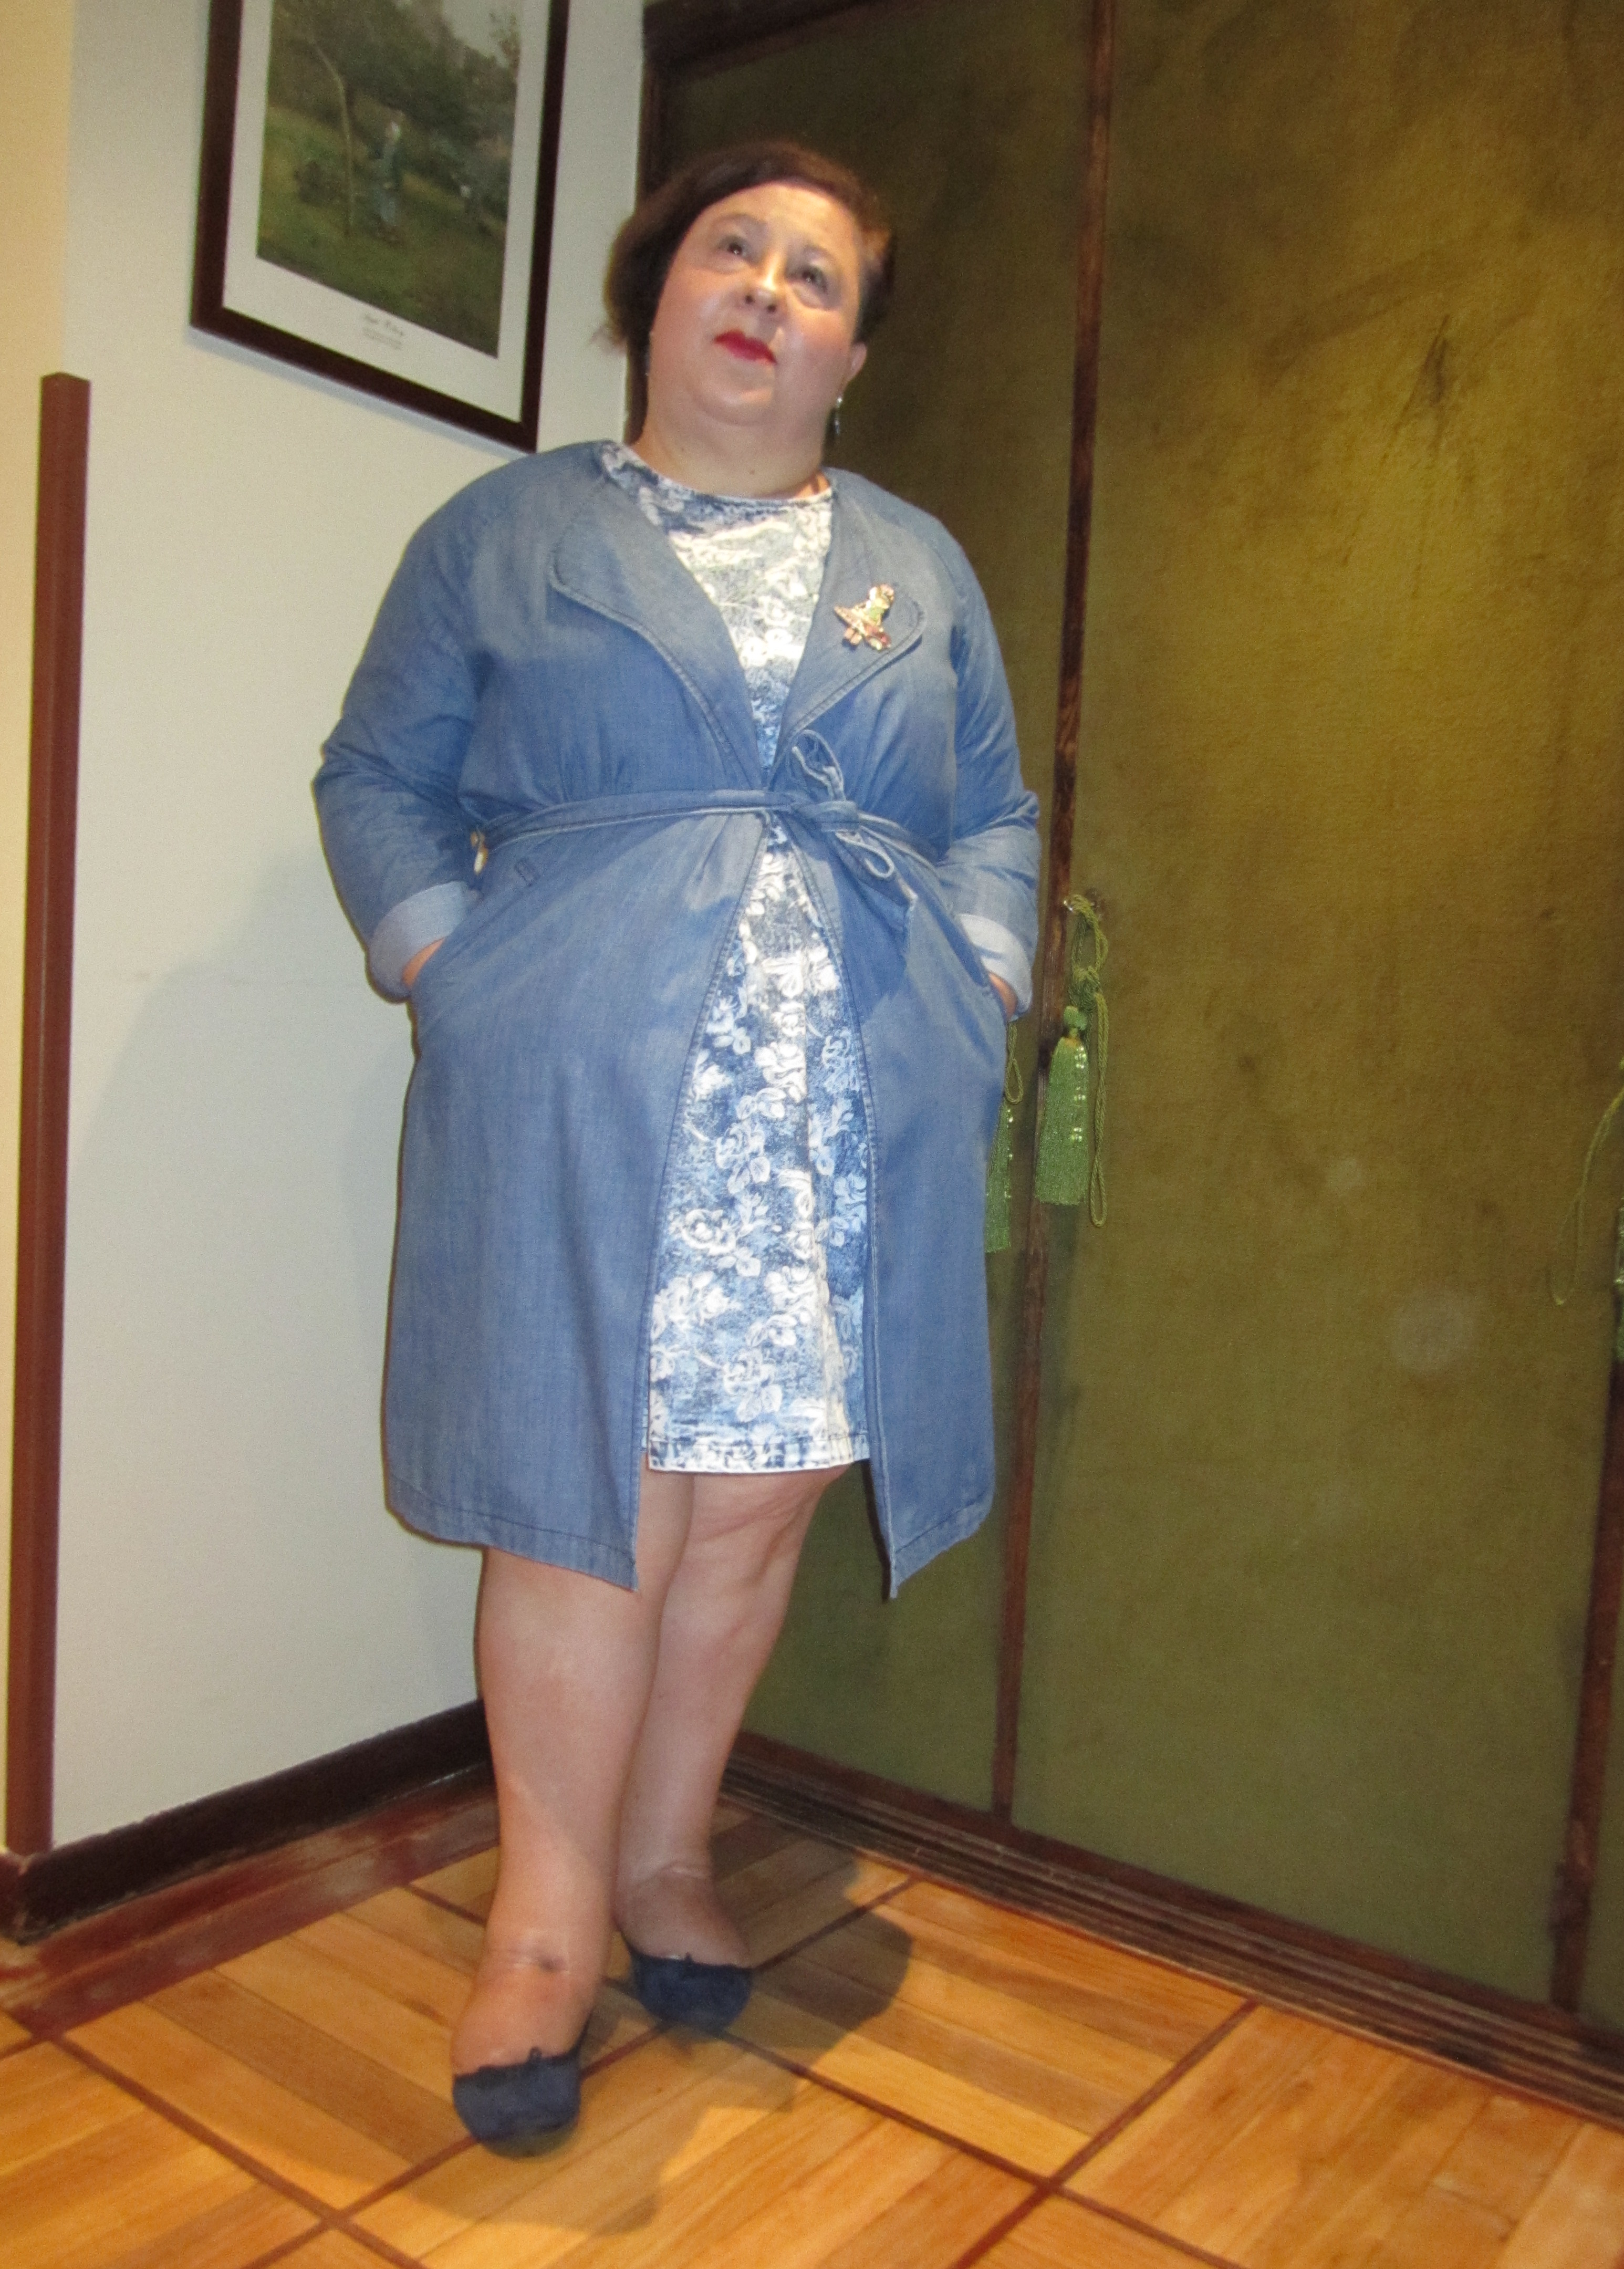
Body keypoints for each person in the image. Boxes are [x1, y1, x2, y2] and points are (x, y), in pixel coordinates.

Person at [314, 141, 1039, 2151]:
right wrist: (456, 963)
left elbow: (992, 809)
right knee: (587, 1501)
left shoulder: (920, 567)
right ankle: (544, 1925)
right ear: (661, 287)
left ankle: (666, 1855)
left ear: (851, 357)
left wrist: (983, 969)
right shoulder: (505, 532)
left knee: (757, 1507)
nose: (768, 291)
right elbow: (377, 775)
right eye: (735, 248)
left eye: (818, 277)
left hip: (841, 1106)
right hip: (588, 1088)